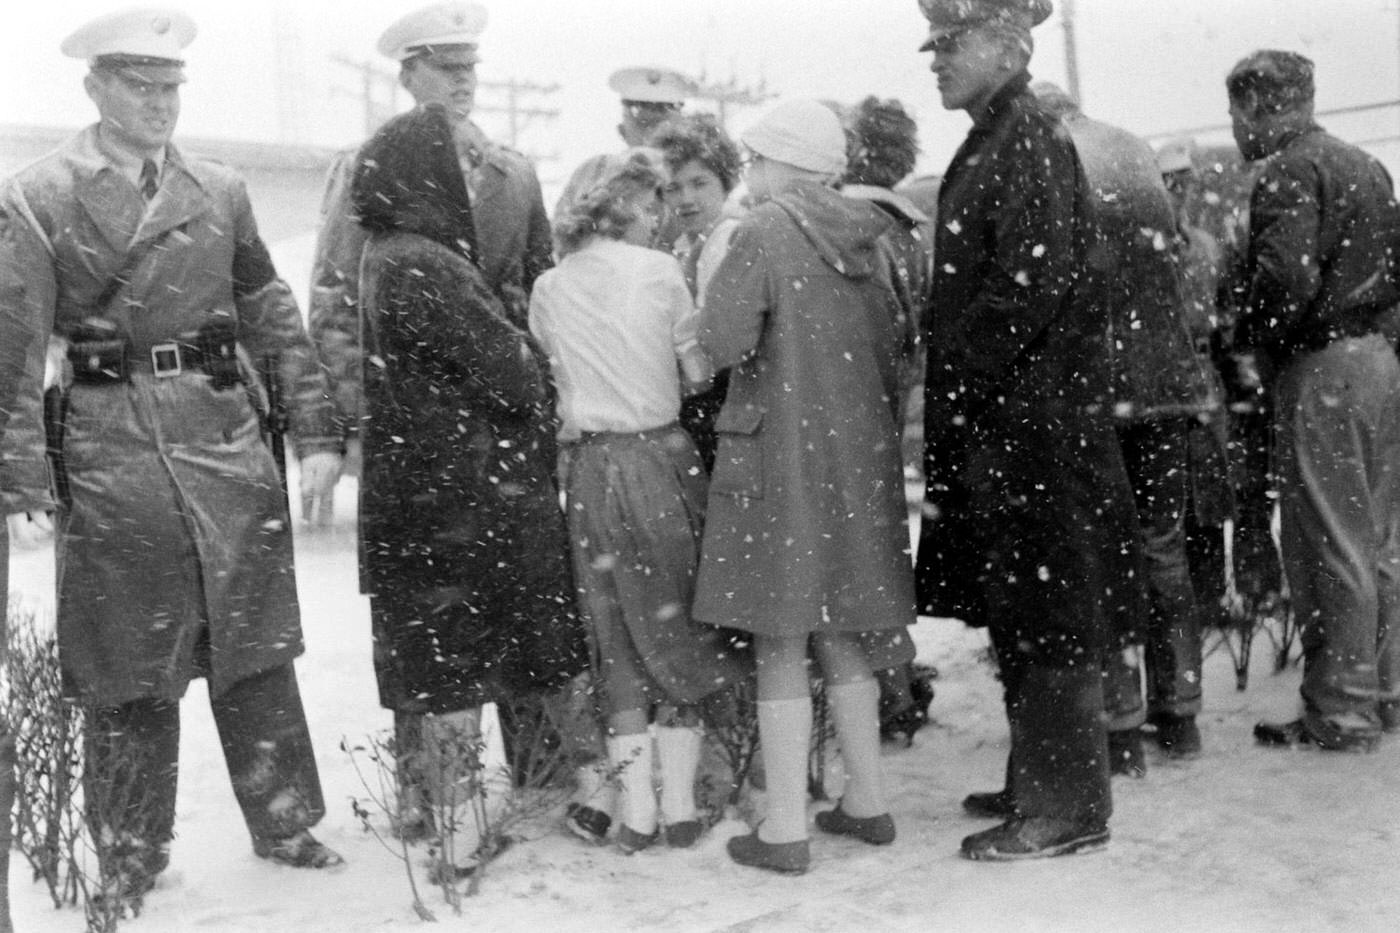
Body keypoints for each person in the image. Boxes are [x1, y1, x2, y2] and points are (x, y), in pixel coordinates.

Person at [0, 8, 346, 899]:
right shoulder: (38, 195)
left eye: (170, 88)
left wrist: (314, 427)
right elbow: (12, 343)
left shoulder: (220, 188)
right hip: (111, 439)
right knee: (129, 655)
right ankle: (128, 848)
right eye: (139, 87)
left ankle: (286, 819)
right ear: (95, 89)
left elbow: (268, 305)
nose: (160, 105)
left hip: (223, 432)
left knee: (255, 638)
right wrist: (21, 476)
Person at [913, 0, 1145, 860]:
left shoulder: (1026, 142)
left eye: (953, 41)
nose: (935, 58)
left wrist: (960, 372)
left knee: (1050, 608)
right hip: (1013, 428)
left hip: (1035, 431)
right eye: (932, 43)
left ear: (1010, 45)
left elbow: (1029, 291)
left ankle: (1067, 805)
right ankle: (1038, 780)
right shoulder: (995, 138)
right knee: (1023, 605)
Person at [351, 103, 587, 864]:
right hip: (467, 498)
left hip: (431, 496)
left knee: (445, 666)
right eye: (467, 158)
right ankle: (461, 832)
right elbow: (515, 376)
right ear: (427, 168)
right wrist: (528, 341)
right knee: (476, 665)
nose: (481, 172)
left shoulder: (393, 251)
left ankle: (446, 822)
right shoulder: (426, 261)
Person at [694, 99, 918, 875]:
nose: (747, 176)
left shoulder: (764, 230)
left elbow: (720, 341)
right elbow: (898, 346)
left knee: (781, 639)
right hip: (855, 457)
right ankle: (868, 799)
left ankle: (785, 826)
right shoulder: (877, 236)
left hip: (778, 457)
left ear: (783, 163)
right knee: (844, 629)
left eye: (755, 160)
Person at [528, 154, 749, 854]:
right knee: (677, 620)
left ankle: (637, 809)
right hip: (662, 456)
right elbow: (695, 371)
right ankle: (680, 807)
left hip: (593, 467)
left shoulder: (549, 287)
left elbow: (556, 375)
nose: (660, 215)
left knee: (613, 626)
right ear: (627, 205)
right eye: (653, 202)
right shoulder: (660, 273)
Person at [1033, 82, 1220, 770]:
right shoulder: (1132, 153)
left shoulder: (1054, 158)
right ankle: (1180, 711)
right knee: (1162, 546)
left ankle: (1119, 721)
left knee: (1100, 551)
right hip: (1165, 383)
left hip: (1099, 386)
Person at [1226, 50, 1400, 750]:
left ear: (1254, 109)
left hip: (1323, 363)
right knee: (1379, 540)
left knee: (1329, 539)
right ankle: (1383, 689)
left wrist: (1250, 339)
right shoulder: (1368, 165)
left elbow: (1285, 280)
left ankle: (1342, 707)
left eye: (1238, 113)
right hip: (1380, 358)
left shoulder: (1288, 170)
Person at [309, 1, 553, 451]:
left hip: (507, 407)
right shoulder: (369, 169)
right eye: (445, 68)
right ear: (407, 78)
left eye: (469, 68)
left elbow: (543, 291)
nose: (462, 79)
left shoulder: (515, 175)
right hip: (412, 414)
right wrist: (352, 417)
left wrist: (549, 397)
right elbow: (337, 299)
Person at [837, 95, 939, 744]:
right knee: (879, 548)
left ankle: (887, 690)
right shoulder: (909, 228)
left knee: (854, 556)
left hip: (847, 403)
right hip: (889, 401)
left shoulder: (848, 223)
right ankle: (897, 682)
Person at [650, 114, 744, 472]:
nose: (685, 198)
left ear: (725, 182)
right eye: (673, 188)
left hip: (719, 402)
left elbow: (716, 341)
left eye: (699, 183)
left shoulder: (728, 238)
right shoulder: (685, 246)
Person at [554, 66, 694, 221]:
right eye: (643, 124)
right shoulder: (594, 172)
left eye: (659, 123)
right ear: (622, 132)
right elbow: (563, 233)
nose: (653, 135)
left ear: (682, 128)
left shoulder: (699, 176)